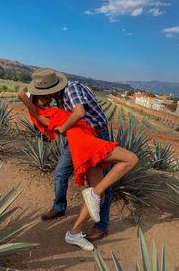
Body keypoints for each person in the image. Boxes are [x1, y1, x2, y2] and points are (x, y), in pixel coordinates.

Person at [18, 93, 138, 251]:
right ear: (35, 99)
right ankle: (94, 194)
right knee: (131, 159)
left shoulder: (52, 109)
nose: (48, 98)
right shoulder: (40, 114)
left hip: (86, 138)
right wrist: (33, 93)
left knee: (98, 196)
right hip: (84, 142)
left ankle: (74, 233)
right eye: (43, 96)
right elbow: (21, 95)